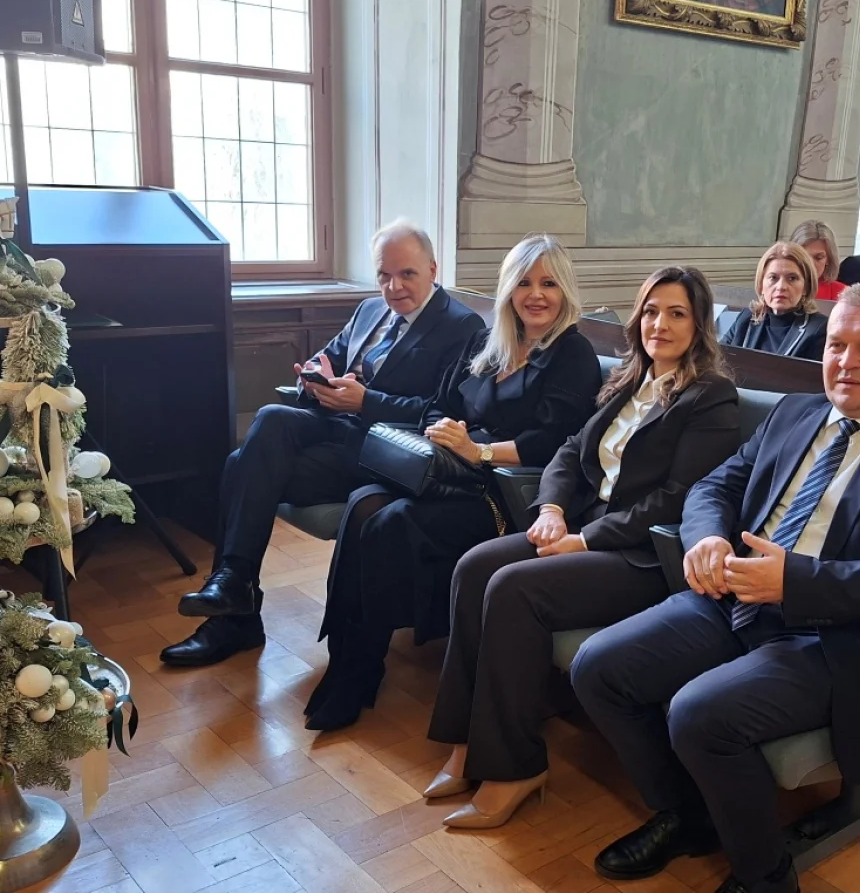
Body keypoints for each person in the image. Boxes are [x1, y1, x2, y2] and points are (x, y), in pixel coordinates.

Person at [571, 284, 860, 893]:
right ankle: (689, 814)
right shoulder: (795, 414)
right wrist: (708, 539)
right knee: (599, 667)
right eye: (836, 345)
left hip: (829, 636)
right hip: (734, 597)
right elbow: (713, 488)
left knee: (699, 714)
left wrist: (797, 580)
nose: (846, 362)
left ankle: (765, 876)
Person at [424, 266, 741, 829]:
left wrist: (587, 538)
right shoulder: (628, 380)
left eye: (677, 314)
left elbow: (677, 498)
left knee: (513, 588)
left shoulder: (711, 397)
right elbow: (569, 451)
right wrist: (550, 509)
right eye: (651, 311)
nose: (660, 325)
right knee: (474, 567)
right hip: (581, 526)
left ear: (700, 325)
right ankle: (465, 744)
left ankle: (514, 768)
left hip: (642, 557)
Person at [303, 234, 602, 731]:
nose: (535, 294)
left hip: (504, 492)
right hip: (448, 470)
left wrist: (476, 450)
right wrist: (446, 433)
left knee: (393, 522)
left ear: (565, 290)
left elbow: (552, 444)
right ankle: (345, 656)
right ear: (508, 289)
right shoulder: (490, 342)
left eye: (549, 284)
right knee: (361, 506)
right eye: (524, 282)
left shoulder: (573, 353)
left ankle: (361, 670)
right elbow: (441, 406)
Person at [160, 220, 485, 668]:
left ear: (432, 268)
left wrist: (366, 401)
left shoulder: (462, 326)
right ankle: (234, 590)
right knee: (272, 417)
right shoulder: (369, 310)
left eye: (407, 274)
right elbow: (327, 357)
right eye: (384, 275)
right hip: (334, 427)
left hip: (385, 450)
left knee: (240, 465)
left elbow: (443, 412)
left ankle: (235, 610)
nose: (393, 287)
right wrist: (315, 376)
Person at [721, 242, 827, 359]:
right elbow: (718, 360)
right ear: (761, 285)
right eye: (773, 278)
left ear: (806, 287)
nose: (781, 287)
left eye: (792, 278)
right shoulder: (747, 317)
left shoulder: (818, 329)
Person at [789, 220, 846, 301]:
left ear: (829, 259)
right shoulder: (778, 288)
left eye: (819, 257)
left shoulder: (844, 294)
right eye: (804, 256)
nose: (811, 264)